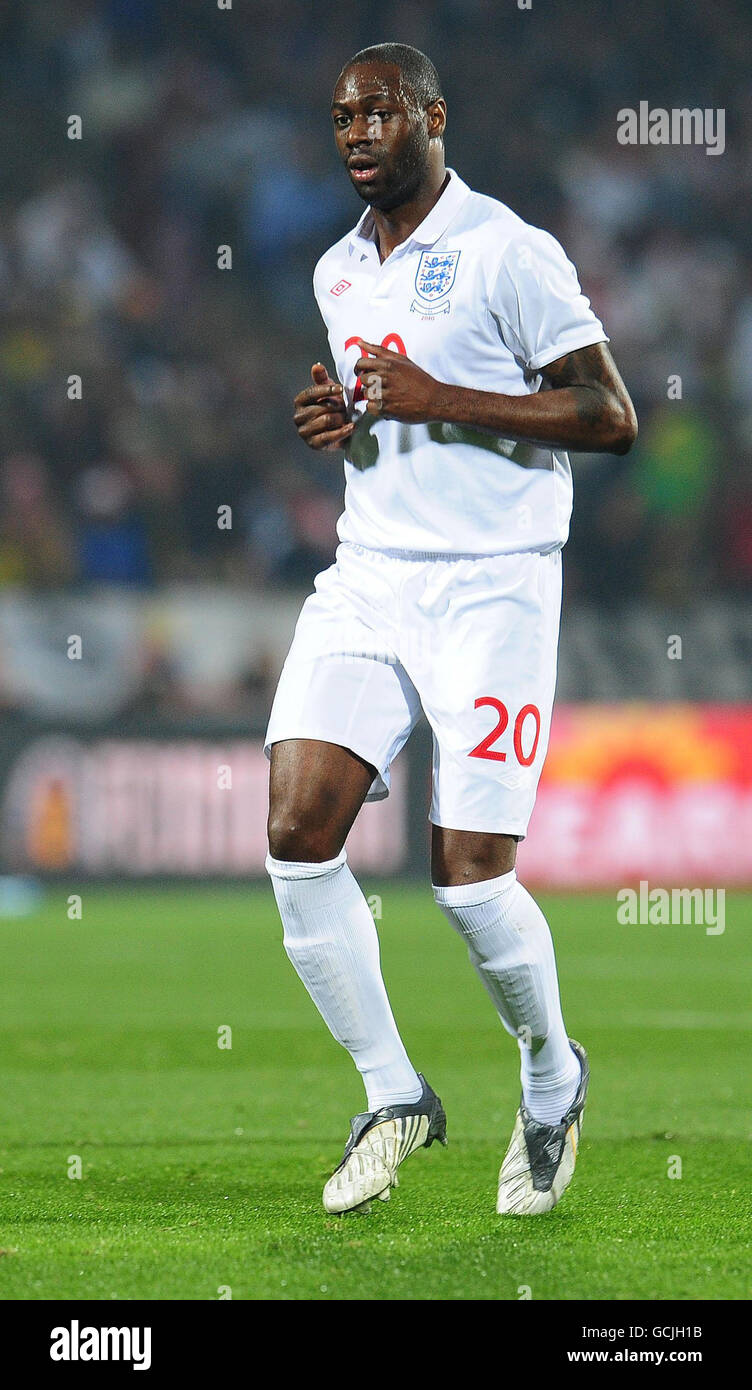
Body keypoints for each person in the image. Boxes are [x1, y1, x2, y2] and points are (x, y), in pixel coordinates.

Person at [265, 42, 637, 1216]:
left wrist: (438, 399)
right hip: (372, 572)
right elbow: (390, 421)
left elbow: (607, 414)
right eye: (340, 118)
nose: (357, 132)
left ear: (433, 116)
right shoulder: (336, 273)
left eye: (378, 112)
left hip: (494, 586)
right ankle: (393, 1094)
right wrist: (349, 421)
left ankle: (548, 1075)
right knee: (294, 831)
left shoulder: (506, 251)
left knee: (468, 881)